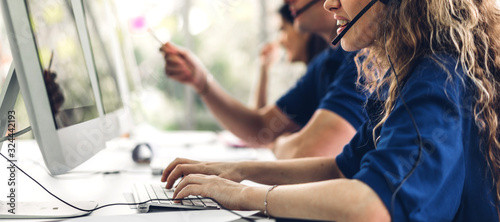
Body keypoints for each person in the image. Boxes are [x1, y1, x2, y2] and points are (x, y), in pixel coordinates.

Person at [160, 0, 500, 221]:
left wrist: (246, 195)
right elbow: (342, 169)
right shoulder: (407, 71)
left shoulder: (436, 77)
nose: (329, 3)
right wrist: (234, 172)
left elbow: (372, 205)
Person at [161, 0, 367, 159]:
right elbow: (261, 128)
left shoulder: (362, 60)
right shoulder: (324, 63)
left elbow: (310, 152)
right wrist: (201, 81)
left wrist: (276, 145)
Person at [252, 4, 328, 109]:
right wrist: (264, 69)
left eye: (283, 29)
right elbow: (265, 122)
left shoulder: (322, 77)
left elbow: (261, 123)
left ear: (303, 28)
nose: (280, 40)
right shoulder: (313, 77)